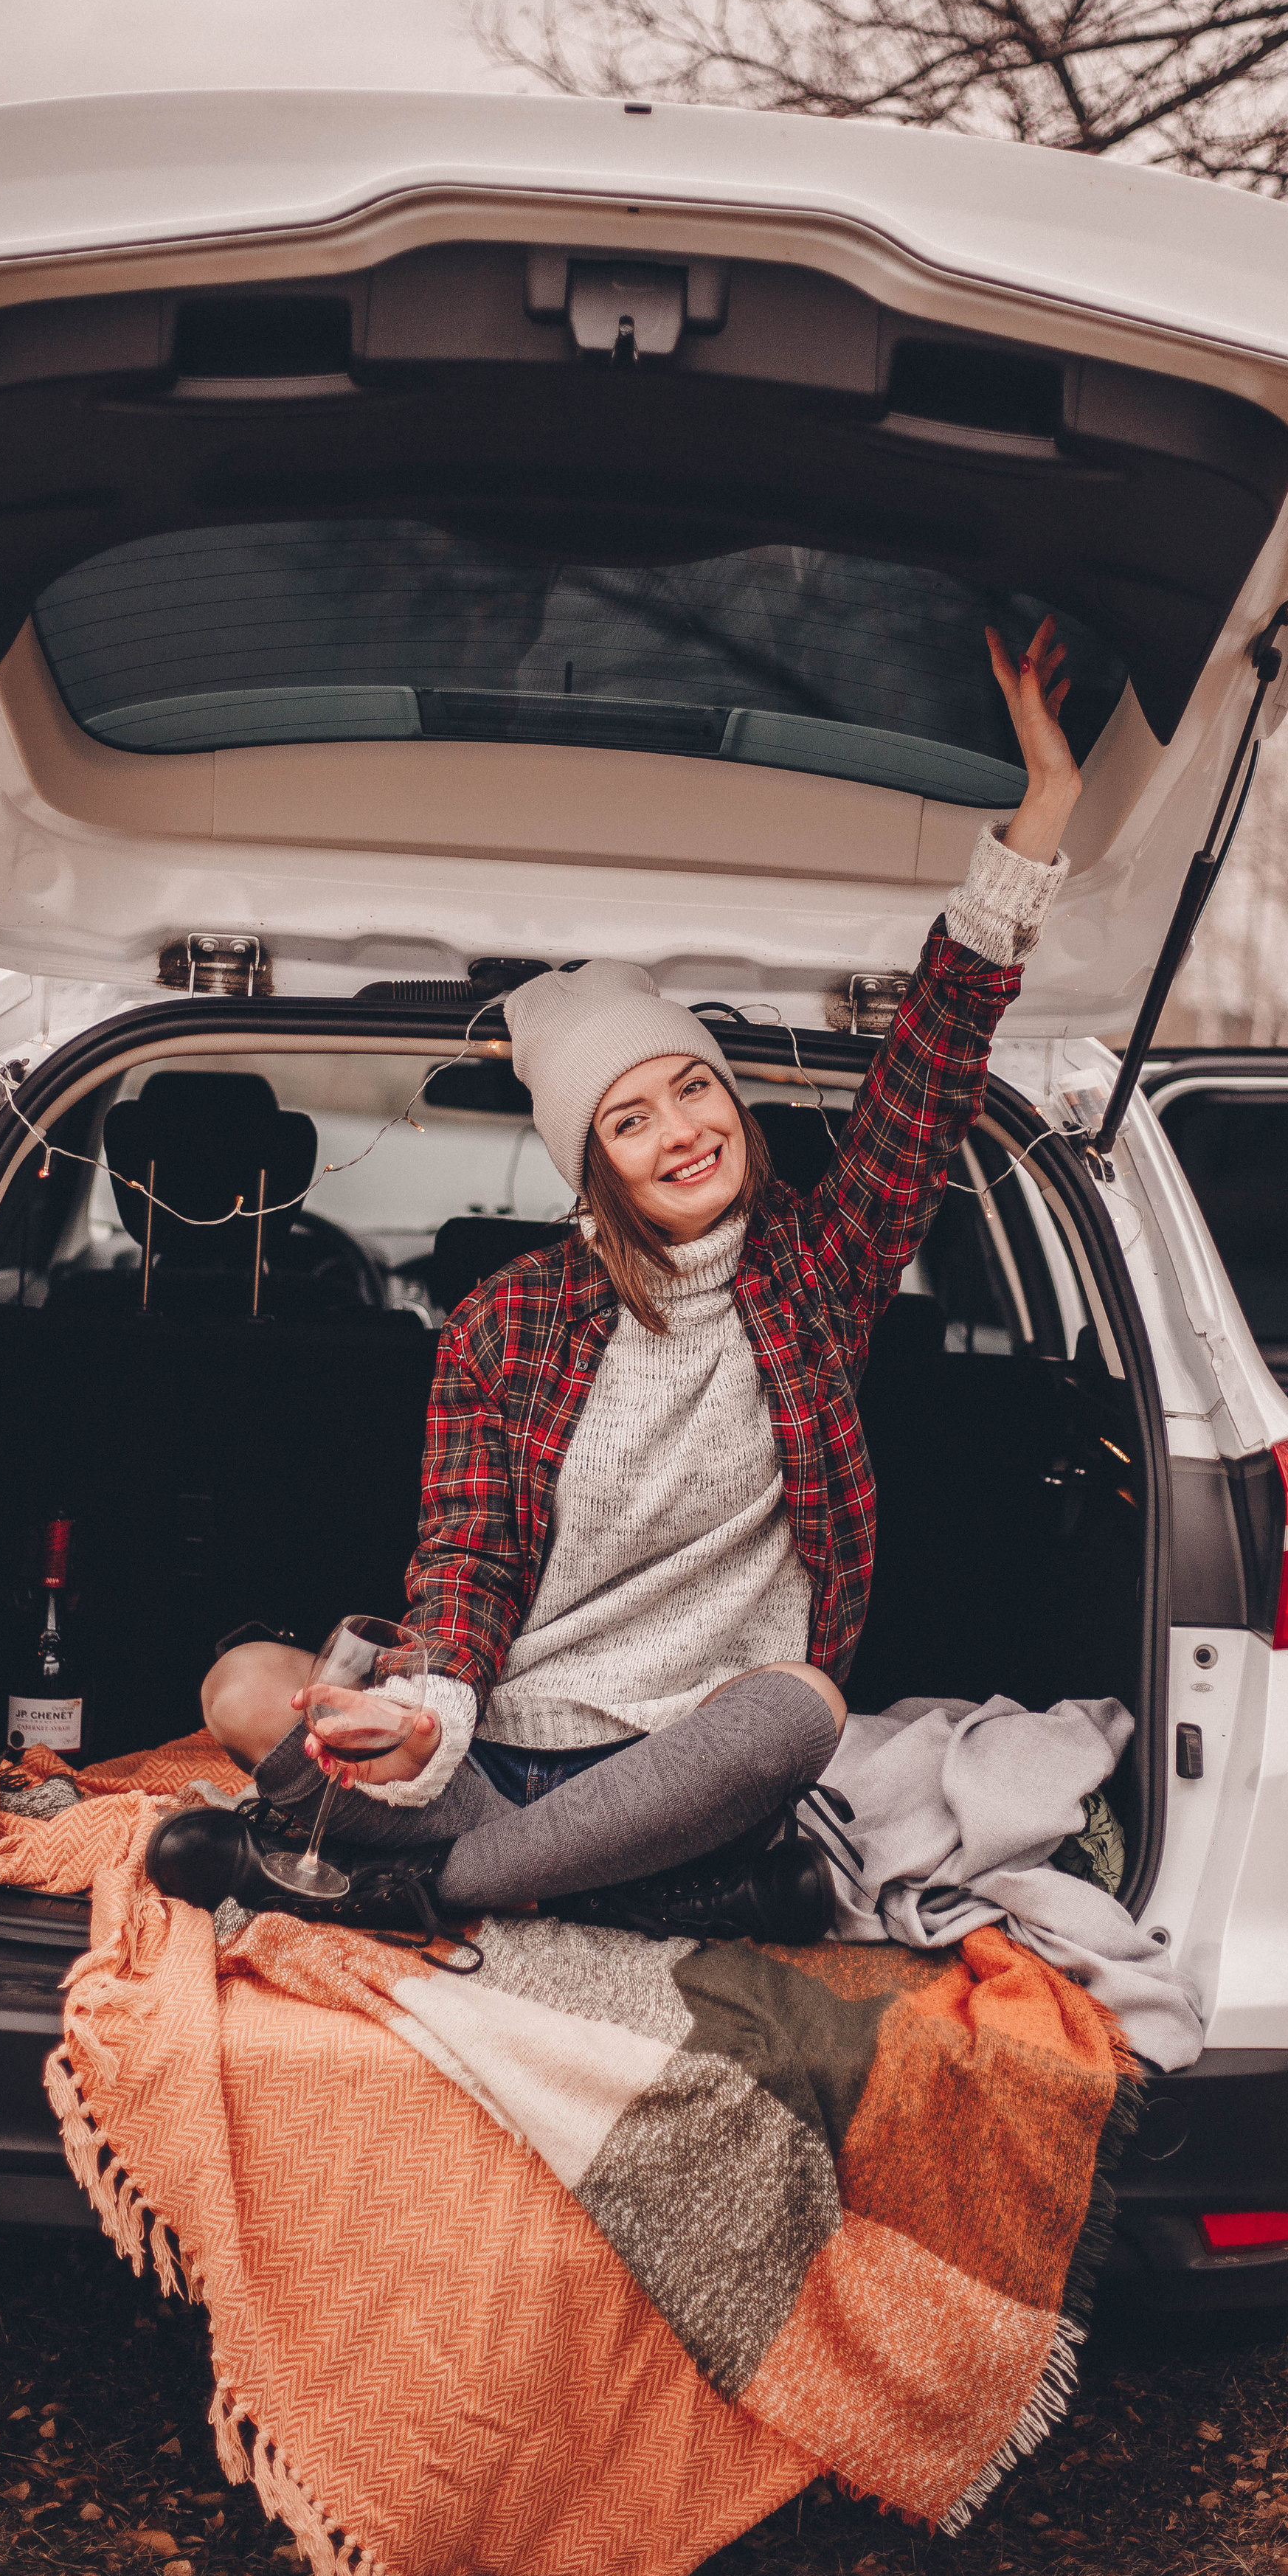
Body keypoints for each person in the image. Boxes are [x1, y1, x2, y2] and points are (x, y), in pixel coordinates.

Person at [190, 621, 1081, 1939]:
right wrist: (424, 1715)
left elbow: (936, 1059)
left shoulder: (818, 1272)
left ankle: (434, 1886)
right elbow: (468, 1558)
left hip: (690, 1767)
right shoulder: (506, 1320)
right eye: (630, 1118)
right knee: (244, 1687)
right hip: (499, 1745)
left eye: (693, 1087)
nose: (682, 1132)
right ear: (590, 1164)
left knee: (803, 1708)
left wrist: (1044, 804)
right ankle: (626, 1887)